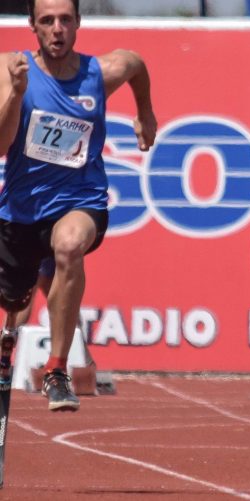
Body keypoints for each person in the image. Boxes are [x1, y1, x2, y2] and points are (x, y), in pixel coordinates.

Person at [0, 0, 156, 411]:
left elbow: (135, 63)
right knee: (13, 301)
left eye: (65, 20)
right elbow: (1, 145)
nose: (57, 29)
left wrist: (147, 114)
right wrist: (15, 95)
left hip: (81, 200)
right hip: (21, 208)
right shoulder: (12, 69)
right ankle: (9, 338)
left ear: (78, 24)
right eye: (47, 21)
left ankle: (56, 369)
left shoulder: (97, 74)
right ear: (32, 26)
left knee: (69, 247)